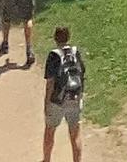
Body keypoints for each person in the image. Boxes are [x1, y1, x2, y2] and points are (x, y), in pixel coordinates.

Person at [41, 23, 86, 157]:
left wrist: (47, 103)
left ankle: (46, 159)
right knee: (75, 133)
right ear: (68, 37)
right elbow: (81, 74)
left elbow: (50, 82)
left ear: (55, 38)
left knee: (50, 131)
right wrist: (80, 94)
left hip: (57, 100)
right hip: (74, 97)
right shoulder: (75, 52)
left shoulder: (54, 56)